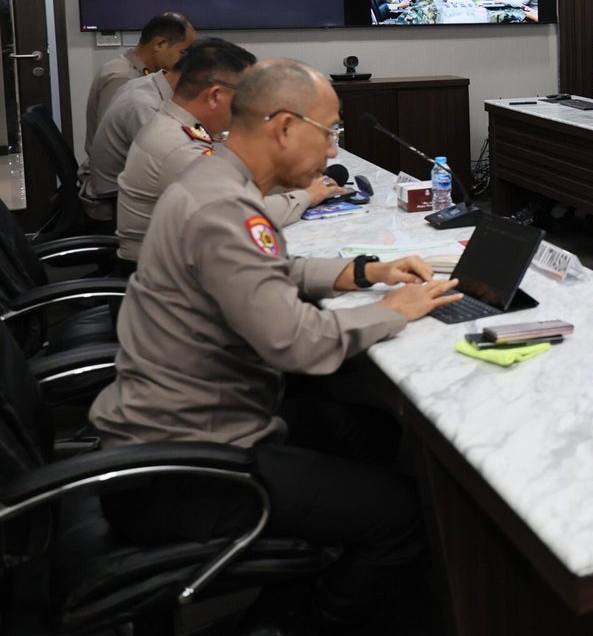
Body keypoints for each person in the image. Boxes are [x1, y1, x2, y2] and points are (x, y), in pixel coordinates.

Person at [89, 59, 462, 631]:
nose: (333, 147)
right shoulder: (222, 206)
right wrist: (390, 310)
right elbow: (296, 342)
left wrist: (365, 272)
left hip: (187, 426)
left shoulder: (218, 182)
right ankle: (297, 621)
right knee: (404, 518)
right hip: (186, 467)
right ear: (285, 127)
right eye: (330, 131)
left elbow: (272, 267)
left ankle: (313, 566)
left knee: (363, 429)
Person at [115, 38, 338, 265]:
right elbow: (242, 214)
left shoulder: (177, 125)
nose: (251, 105)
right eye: (245, 95)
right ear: (215, 96)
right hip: (164, 275)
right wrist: (308, 195)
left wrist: (286, 179)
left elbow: (234, 186)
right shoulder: (179, 146)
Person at [80, 68, 180, 222]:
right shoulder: (144, 105)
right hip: (116, 200)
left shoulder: (144, 83)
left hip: (119, 189)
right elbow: (167, 165)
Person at [83, 11, 193, 152]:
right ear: (160, 44)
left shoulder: (144, 73)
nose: (188, 60)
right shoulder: (122, 77)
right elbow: (110, 143)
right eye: (183, 52)